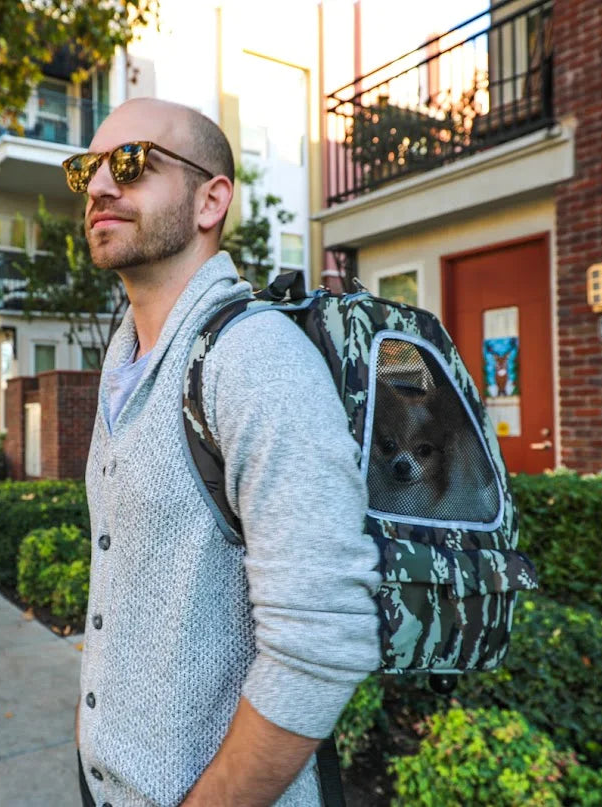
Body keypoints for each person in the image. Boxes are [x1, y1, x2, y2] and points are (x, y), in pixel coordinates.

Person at [69, 97, 380, 807]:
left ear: (212, 200)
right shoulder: (126, 364)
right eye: (86, 169)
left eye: (131, 162)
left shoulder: (257, 361)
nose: (98, 186)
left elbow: (322, 642)